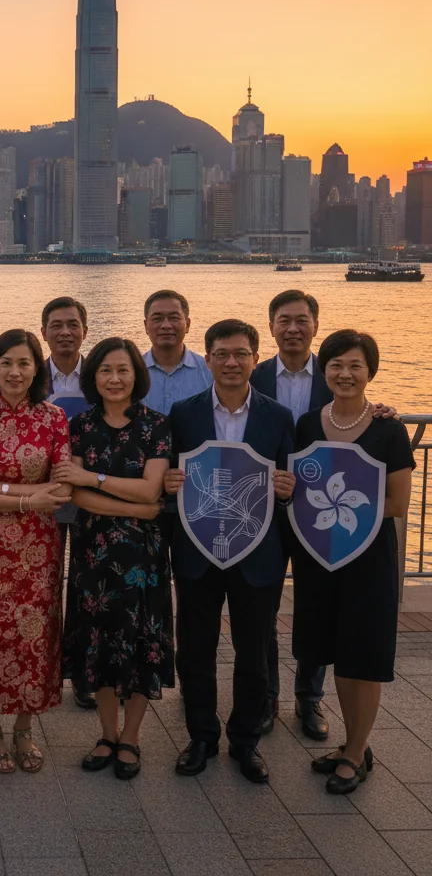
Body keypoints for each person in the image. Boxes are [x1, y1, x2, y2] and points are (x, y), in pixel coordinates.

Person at [163, 319, 296, 784]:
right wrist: (168, 483)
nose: (232, 362)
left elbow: (289, 483)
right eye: (221, 354)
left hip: (258, 552)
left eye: (241, 354)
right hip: (199, 549)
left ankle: (244, 741)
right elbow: (170, 477)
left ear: (255, 359)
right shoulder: (183, 413)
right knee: (194, 648)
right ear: (208, 358)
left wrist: (287, 489)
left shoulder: (278, 417)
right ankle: (200, 736)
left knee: (253, 651)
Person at [292, 330, 414, 794]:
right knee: (338, 657)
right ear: (324, 371)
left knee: (364, 656)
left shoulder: (389, 428)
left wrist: (348, 516)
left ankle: (358, 751)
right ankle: (349, 746)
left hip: (367, 560)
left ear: (370, 371)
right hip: (320, 560)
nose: (345, 373)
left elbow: (397, 503)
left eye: (355, 365)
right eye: (336, 364)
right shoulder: (308, 424)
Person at [53, 338, 173, 780]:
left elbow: (152, 489)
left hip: (144, 557)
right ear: (94, 377)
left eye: (123, 370)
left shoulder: (156, 426)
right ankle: (106, 733)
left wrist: (98, 478)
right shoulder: (80, 426)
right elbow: (77, 495)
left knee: (141, 639)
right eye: (106, 370)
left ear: (135, 375)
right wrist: (138, 509)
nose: (115, 379)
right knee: (98, 642)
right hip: (93, 552)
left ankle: (133, 737)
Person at [0, 329, 72, 775]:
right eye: (5, 362)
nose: (14, 371)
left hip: (39, 549)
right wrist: (28, 496)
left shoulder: (53, 418)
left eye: (24, 363)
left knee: (35, 635)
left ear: (37, 369)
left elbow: (61, 488)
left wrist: (1, 488)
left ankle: (25, 728)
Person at [251, 290, 332, 741]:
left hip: (321, 507)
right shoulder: (254, 374)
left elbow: (356, 417)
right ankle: (267, 697)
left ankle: (310, 697)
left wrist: (382, 411)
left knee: (315, 604)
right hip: (265, 508)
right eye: (284, 320)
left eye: (302, 320)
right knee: (263, 606)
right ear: (271, 326)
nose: (293, 328)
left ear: (315, 326)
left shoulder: (335, 373)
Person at [40, 295, 95, 709]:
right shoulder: (30, 374)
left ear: (84, 331)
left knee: (85, 585)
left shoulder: (99, 375)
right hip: (41, 496)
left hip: (91, 496)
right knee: (43, 586)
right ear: (43, 333)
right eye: (56, 325)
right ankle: (44, 663)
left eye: (72, 325)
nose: (65, 333)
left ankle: (82, 670)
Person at [141, 290, 212, 415]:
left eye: (174, 318)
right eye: (157, 319)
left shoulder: (209, 372)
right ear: (146, 326)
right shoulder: (132, 372)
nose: (166, 325)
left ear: (188, 324)